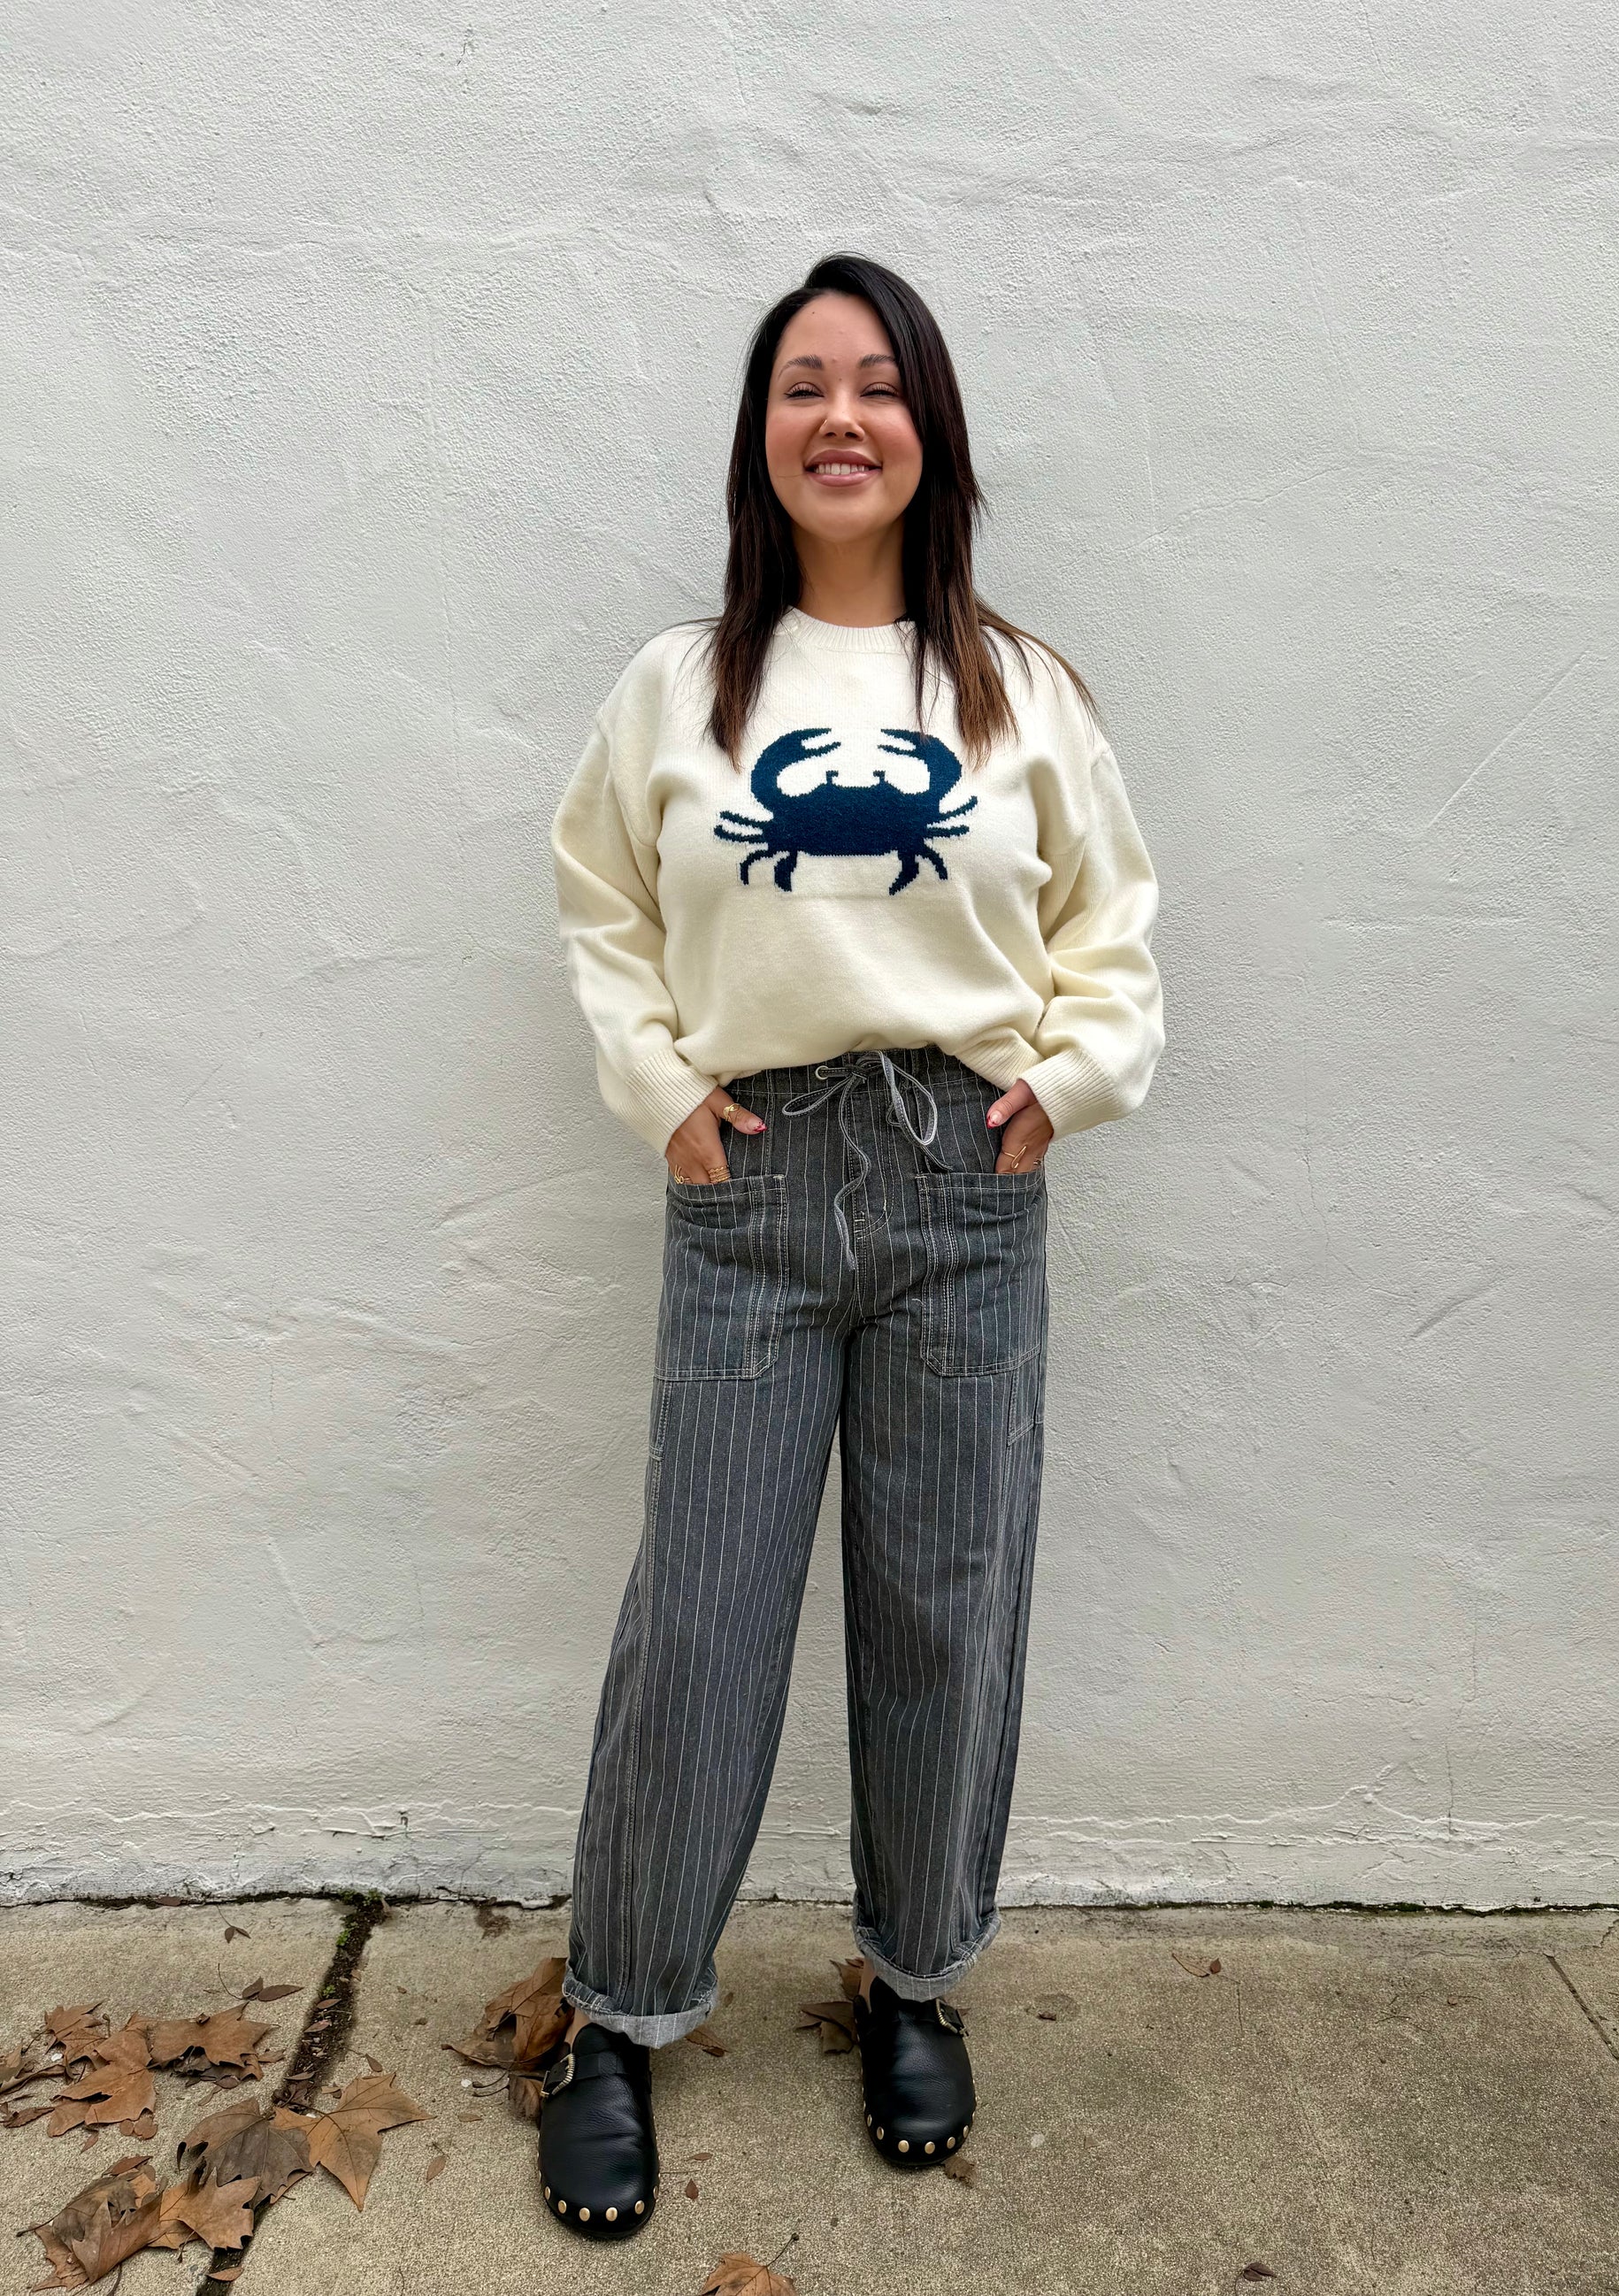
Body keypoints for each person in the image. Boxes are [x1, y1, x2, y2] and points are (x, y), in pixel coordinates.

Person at [539, 251, 1164, 2242]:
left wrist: (1069, 1079)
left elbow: (1110, 921)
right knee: (702, 1617)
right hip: (752, 1181)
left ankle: (914, 1980)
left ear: (928, 430)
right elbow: (600, 901)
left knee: (944, 1606)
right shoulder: (679, 684)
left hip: (961, 1182)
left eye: (878, 383)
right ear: (761, 435)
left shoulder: (1017, 687)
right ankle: (620, 2014)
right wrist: (660, 1089)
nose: (840, 416)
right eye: (802, 383)